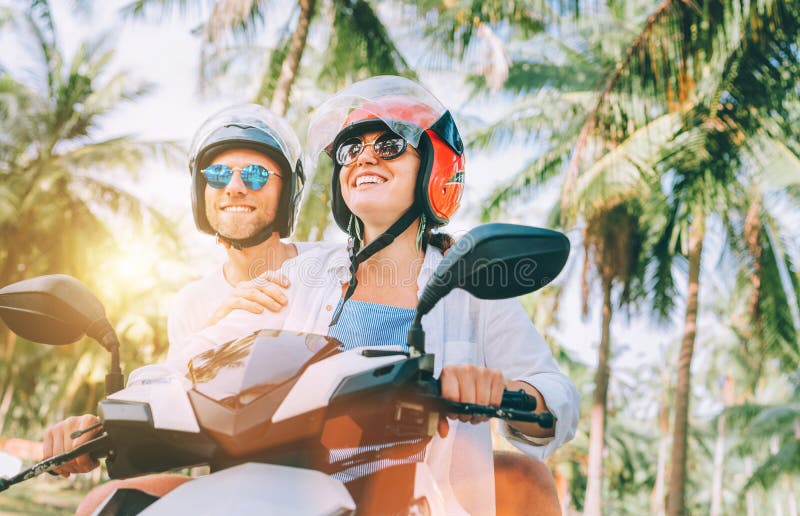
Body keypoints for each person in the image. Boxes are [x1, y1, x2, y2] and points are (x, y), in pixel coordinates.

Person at [298, 75, 579, 514]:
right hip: (295, 495)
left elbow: (559, 398)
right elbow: (213, 356)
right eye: (351, 150)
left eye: (389, 145)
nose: (365, 156)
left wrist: (502, 390)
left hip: (418, 501)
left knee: (527, 478)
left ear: (435, 168)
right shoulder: (301, 274)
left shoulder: (468, 283)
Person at [41, 104, 313, 515]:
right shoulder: (192, 302)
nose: (235, 187)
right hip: (234, 479)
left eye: (256, 174)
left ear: (288, 189)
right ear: (199, 192)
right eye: (218, 175)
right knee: (103, 504)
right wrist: (95, 430)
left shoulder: (331, 267)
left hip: (330, 472)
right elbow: (174, 398)